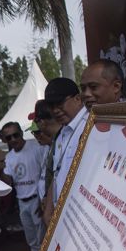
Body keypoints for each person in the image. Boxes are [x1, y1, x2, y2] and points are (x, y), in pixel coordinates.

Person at [0, 122, 46, 251]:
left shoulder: (36, 146)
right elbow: (7, 181)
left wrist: (43, 198)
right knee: (31, 240)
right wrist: (1, 168)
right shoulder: (9, 157)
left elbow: (47, 173)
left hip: (37, 200)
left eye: (15, 135)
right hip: (22, 202)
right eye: (9, 137)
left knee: (43, 239)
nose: (13, 139)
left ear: (21, 133)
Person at [45, 78, 89, 209]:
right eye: (51, 106)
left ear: (77, 99)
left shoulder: (91, 126)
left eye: (59, 103)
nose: (55, 110)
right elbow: (57, 172)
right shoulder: (63, 131)